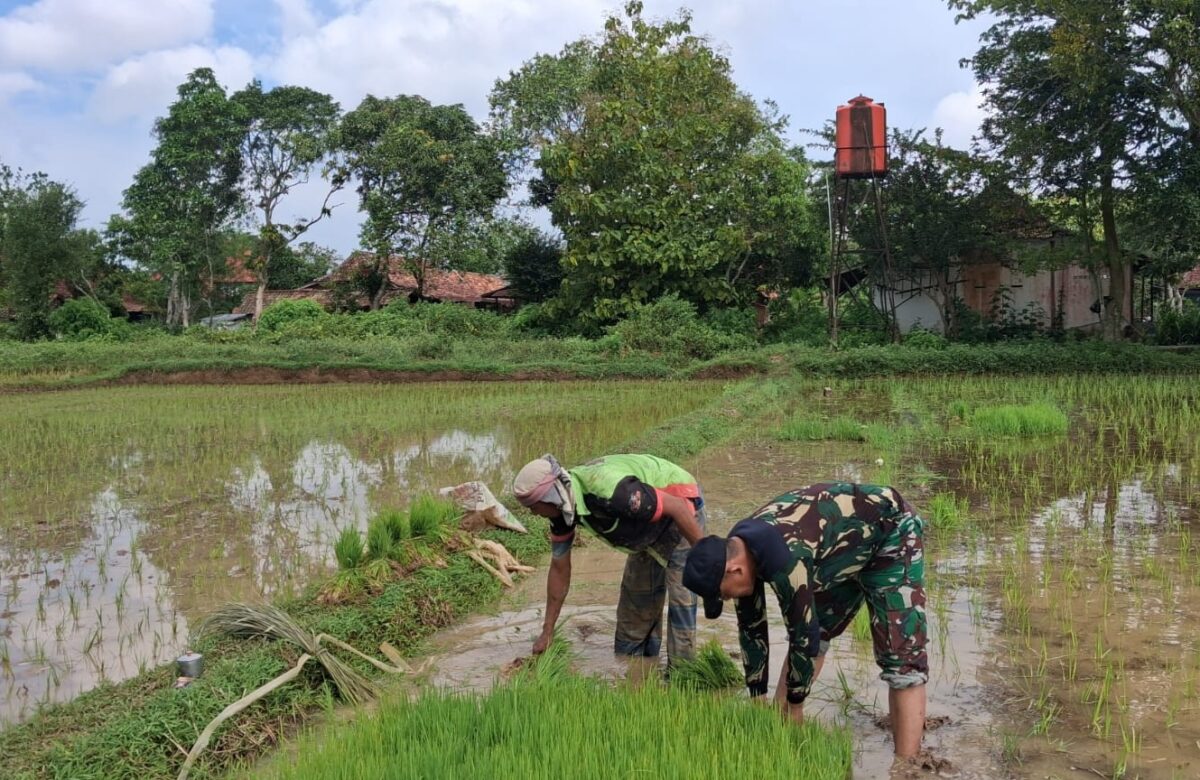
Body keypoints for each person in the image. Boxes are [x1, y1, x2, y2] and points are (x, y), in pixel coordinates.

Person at [682, 482, 928, 757]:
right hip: (838, 552)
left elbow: (803, 635)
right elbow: (751, 629)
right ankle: (779, 732)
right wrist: (757, 697)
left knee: (901, 658)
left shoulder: (786, 558)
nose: (726, 600)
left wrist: (796, 705)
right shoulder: (735, 549)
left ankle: (906, 766)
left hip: (890, 533)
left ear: (734, 570)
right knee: (818, 631)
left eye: (722, 595)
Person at [512, 453, 707, 666]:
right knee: (635, 608)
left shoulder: (612, 493)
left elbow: (677, 507)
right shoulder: (563, 512)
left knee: (682, 602)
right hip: (642, 527)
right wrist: (547, 632)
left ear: (550, 496)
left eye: (533, 506)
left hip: (681, 510)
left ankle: (683, 675)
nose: (532, 513)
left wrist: (707, 559)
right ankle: (635, 672)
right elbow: (559, 569)